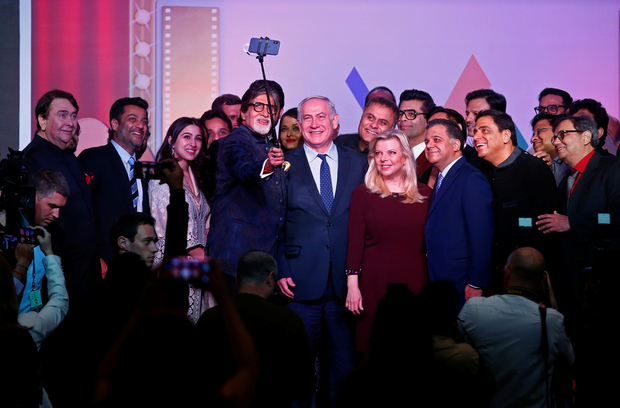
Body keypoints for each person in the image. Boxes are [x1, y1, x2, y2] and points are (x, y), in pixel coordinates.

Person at [276, 96, 367, 405]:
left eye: (321, 117)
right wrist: (282, 269)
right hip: (299, 284)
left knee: (344, 373)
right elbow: (274, 223)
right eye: (308, 119)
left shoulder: (358, 161)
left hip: (347, 285)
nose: (315, 124)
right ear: (299, 125)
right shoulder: (285, 164)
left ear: (335, 121)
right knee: (298, 372)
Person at [346, 129, 431, 353]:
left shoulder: (427, 194)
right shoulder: (362, 194)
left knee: (412, 348)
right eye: (379, 153)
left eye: (391, 152)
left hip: (416, 279)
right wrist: (352, 285)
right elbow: (354, 243)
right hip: (373, 283)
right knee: (374, 349)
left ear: (405, 157)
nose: (384, 159)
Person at [458, 247, 574, 408]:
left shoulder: (473, 309)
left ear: (506, 273)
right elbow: (569, 363)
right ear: (542, 281)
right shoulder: (551, 321)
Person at [196, 251, 314, 408]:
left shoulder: (209, 318)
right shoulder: (289, 320)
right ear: (270, 278)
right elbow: (305, 388)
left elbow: (195, 378)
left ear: (237, 278)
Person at [22, 90, 99, 301]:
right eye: (62, 115)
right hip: (59, 268)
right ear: (42, 120)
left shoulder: (68, 155)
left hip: (86, 264)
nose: (71, 122)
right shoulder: (31, 159)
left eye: (74, 115)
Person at [537, 115, 620, 303]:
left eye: (562, 134)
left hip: (602, 281)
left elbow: (616, 216)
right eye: (555, 137)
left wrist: (571, 223)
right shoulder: (566, 180)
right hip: (570, 282)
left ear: (585, 137)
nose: (556, 141)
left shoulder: (613, 168)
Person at [208, 79, 286, 279]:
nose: (264, 113)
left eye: (271, 108)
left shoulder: (272, 144)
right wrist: (267, 166)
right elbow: (243, 168)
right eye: (258, 106)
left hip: (264, 261)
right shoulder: (235, 140)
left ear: (278, 114)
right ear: (244, 113)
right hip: (235, 260)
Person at [473, 110, 557, 287]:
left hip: (526, 277)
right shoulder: (477, 172)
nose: (476, 136)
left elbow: (545, 229)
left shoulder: (534, 169)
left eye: (484, 130)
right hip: (490, 276)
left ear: (505, 135)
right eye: (475, 131)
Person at [149, 117, 214, 323]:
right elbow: (169, 224)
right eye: (186, 137)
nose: (193, 144)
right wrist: (207, 259)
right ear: (171, 140)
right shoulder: (161, 173)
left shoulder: (198, 174)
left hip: (200, 265)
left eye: (198, 139)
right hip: (173, 261)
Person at [424, 119, 494, 307]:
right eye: (427, 141)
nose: (429, 145)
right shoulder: (440, 176)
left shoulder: (471, 178)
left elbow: (481, 235)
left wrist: (476, 282)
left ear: (456, 144)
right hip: (440, 280)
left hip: (462, 282)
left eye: (436, 140)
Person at [78, 97, 150, 265]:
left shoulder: (143, 170)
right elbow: (82, 214)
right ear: (115, 124)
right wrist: (96, 258)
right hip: (105, 261)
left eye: (144, 121)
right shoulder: (94, 158)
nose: (140, 126)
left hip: (139, 264)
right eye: (133, 119)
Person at [12, 169, 68, 315]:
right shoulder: (7, 229)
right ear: (33, 198)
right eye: (52, 206)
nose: (57, 215)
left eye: (60, 208)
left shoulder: (55, 234)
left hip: (37, 326)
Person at [334, 97, 399, 153]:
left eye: (382, 123)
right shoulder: (339, 144)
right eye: (370, 118)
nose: (374, 125)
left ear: (392, 130)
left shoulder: (393, 160)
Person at [397, 89, 436, 176]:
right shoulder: (390, 154)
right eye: (400, 114)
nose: (403, 118)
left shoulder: (434, 160)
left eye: (411, 114)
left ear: (428, 119)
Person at [530, 112, 571, 185]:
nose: (533, 139)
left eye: (539, 131)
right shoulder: (531, 162)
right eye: (533, 135)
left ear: (557, 131)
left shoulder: (571, 162)